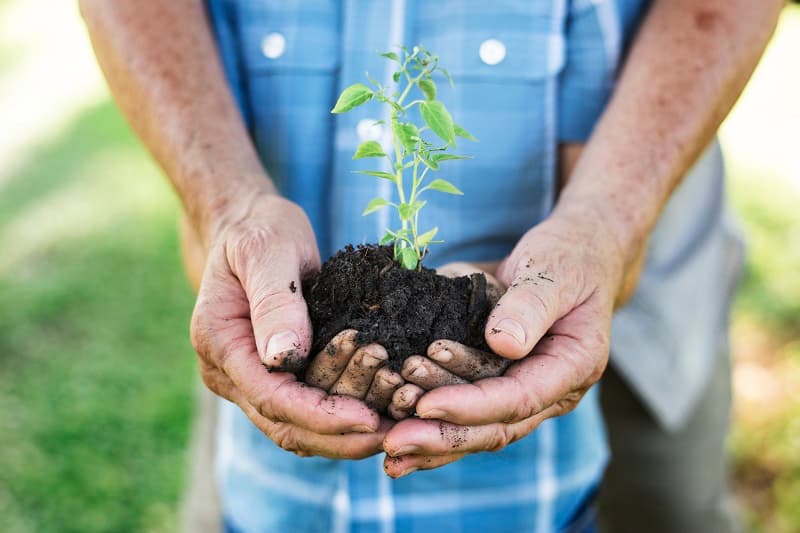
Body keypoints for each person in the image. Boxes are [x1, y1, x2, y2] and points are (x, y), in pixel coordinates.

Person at [80, 0, 784, 531]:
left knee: (660, 506)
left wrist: (608, 219)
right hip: (258, 279)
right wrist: (224, 202)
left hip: (635, 269)